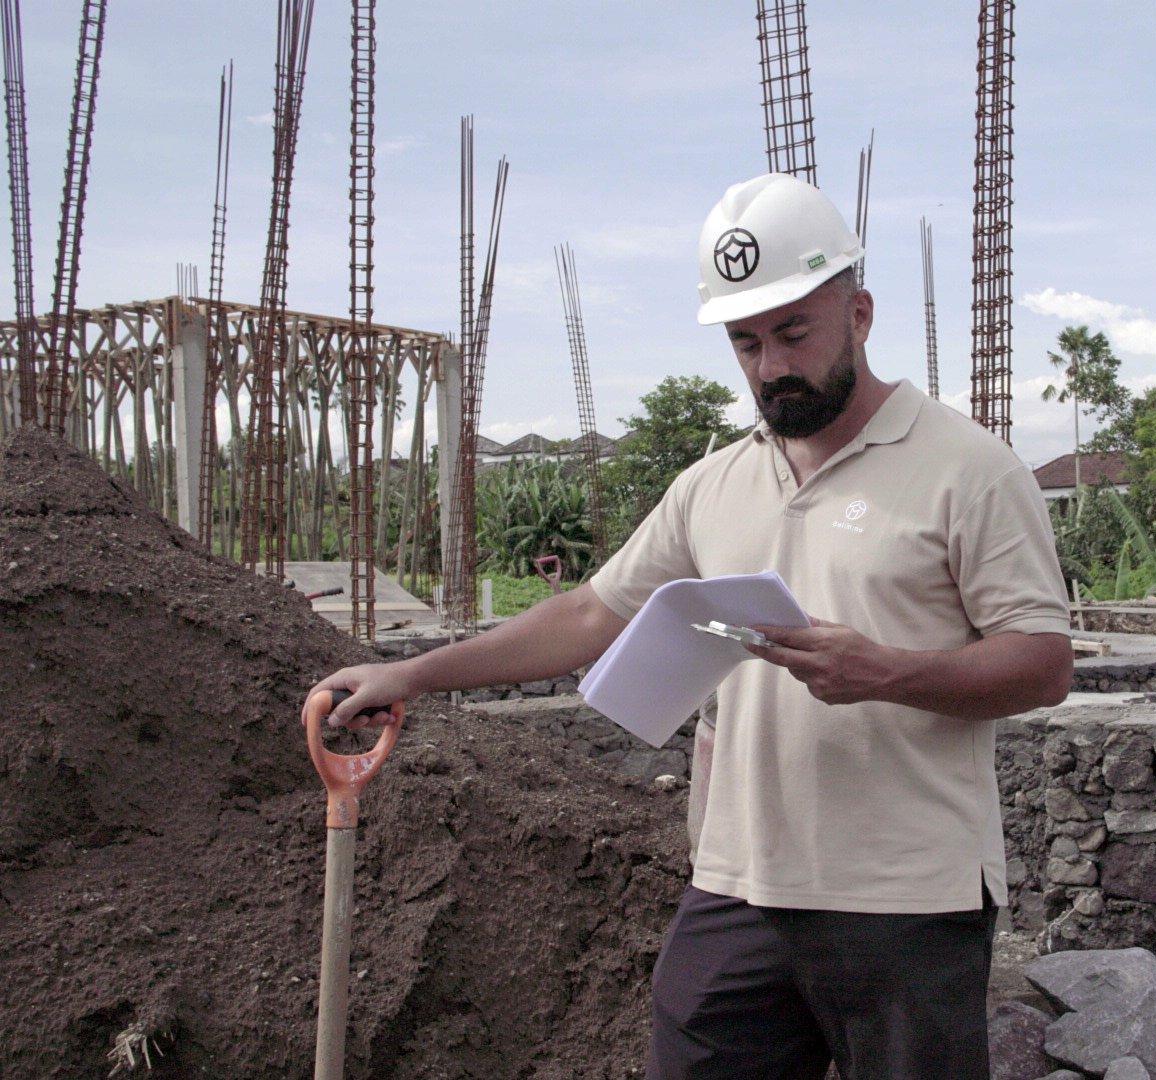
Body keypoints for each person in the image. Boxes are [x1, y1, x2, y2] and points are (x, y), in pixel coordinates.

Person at [304, 172, 1074, 1079]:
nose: (770, 366)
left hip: (905, 897)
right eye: (746, 342)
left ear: (859, 314)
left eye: (794, 332)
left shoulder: (967, 467)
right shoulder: (712, 485)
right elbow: (592, 611)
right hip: (739, 886)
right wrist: (413, 675)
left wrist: (884, 673)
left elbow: (1042, 663)